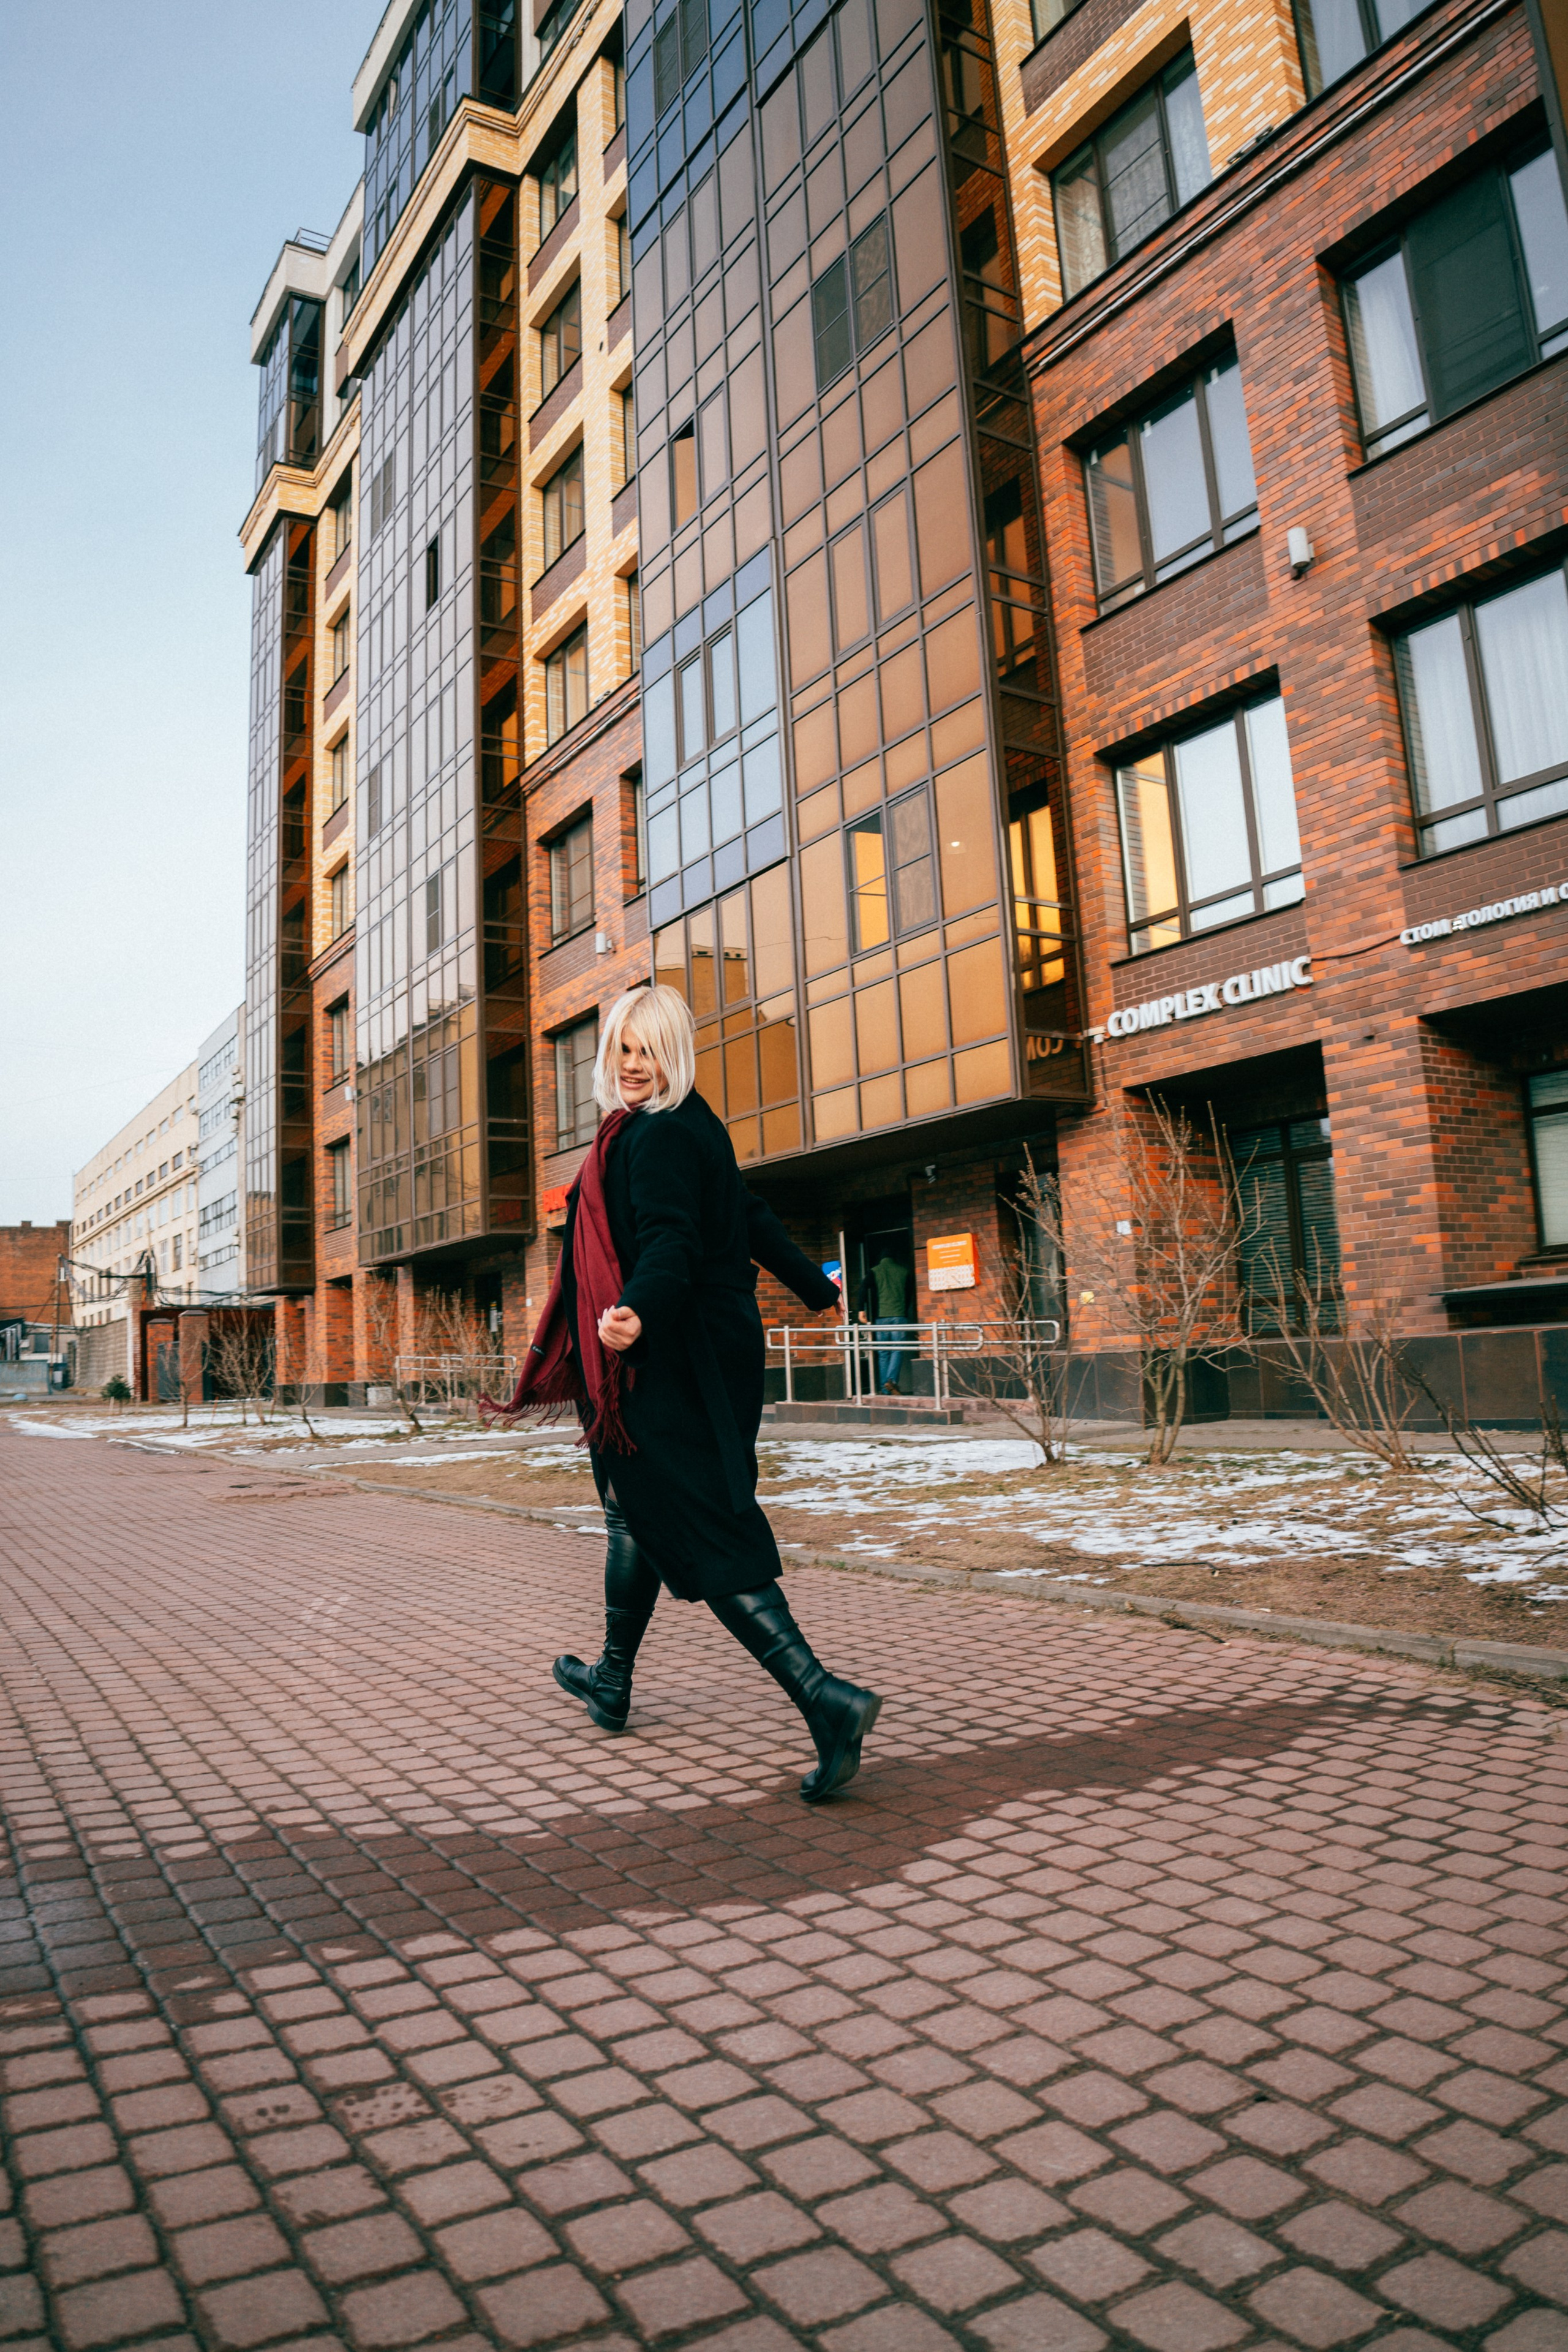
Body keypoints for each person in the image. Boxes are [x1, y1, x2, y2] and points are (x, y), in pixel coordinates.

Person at [489, 985, 881, 1803]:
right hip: (706, 1348)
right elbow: (747, 1213)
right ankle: (613, 1678)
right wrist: (817, 1286)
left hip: (670, 1357)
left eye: (649, 1050)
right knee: (632, 1506)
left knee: (699, 1526)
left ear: (674, 1054)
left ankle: (824, 1698)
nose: (634, 1066)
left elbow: (669, 1239)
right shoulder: (690, 1123)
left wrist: (636, 1311)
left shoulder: (659, 1136)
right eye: (623, 1050)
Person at [858, 1248, 915, 1395]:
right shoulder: (904, 1272)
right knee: (897, 1349)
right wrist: (905, 1311)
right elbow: (910, 1295)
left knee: (883, 1353)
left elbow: (863, 1288)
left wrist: (861, 1310)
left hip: (880, 1318)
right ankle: (891, 1381)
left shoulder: (874, 1271)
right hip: (899, 1316)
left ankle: (885, 1388)